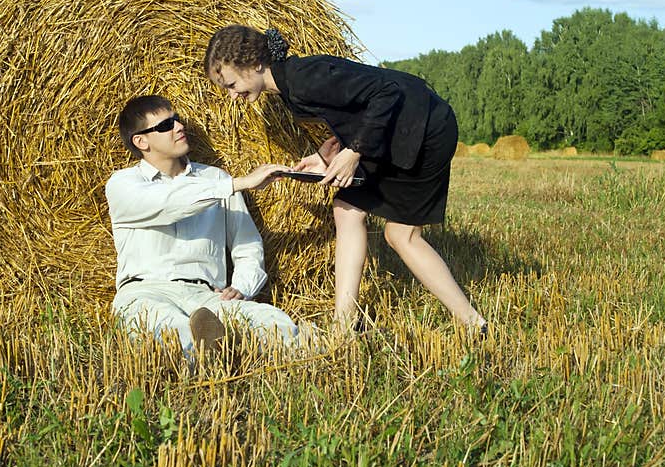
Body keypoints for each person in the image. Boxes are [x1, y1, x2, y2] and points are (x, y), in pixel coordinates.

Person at [204, 24, 488, 337]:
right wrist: (327, 153)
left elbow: (387, 93)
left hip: (424, 128)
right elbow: (354, 108)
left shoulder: (303, 79)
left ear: (254, 64)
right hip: (400, 128)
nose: (231, 96)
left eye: (231, 84)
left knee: (402, 235)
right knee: (346, 208)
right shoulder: (289, 84)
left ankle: (473, 323)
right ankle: (344, 321)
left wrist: (354, 152)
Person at [106, 94, 301, 368]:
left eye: (176, 120)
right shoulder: (123, 184)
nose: (178, 127)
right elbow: (170, 204)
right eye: (165, 126)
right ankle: (211, 359)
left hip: (208, 295)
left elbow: (247, 244)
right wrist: (240, 183)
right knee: (168, 330)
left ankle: (338, 346)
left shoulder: (216, 178)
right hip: (146, 292)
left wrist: (243, 287)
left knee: (274, 323)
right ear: (141, 141)